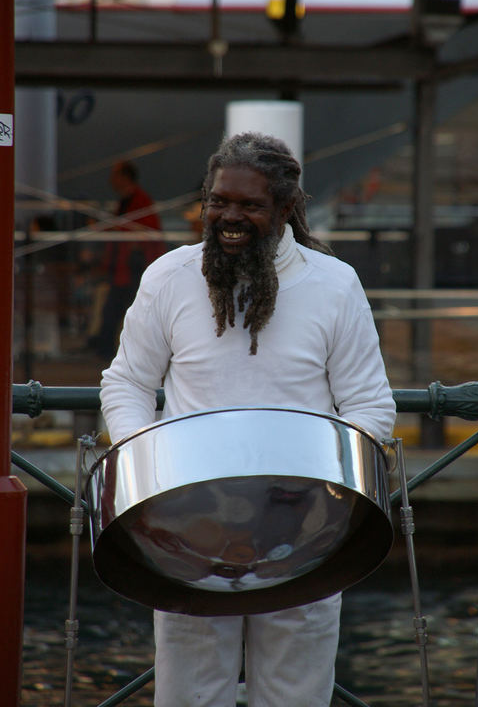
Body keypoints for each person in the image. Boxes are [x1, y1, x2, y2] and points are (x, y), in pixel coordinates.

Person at [99, 132, 396, 707]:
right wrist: (148, 469)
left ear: (285, 209)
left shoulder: (334, 285)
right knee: (189, 694)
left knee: (294, 695)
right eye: (218, 201)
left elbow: (369, 405)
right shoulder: (168, 276)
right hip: (191, 526)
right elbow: (128, 381)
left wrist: (321, 495)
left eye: (249, 206)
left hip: (301, 526)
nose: (229, 217)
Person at [88, 160, 164, 358]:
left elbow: (146, 232)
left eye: (115, 175)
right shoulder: (129, 201)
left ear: (125, 177)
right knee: (114, 310)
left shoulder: (139, 201)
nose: (111, 180)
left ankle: (120, 353)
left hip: (132, 266)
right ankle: (108, 351)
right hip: (124, 267)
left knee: (126, 311)